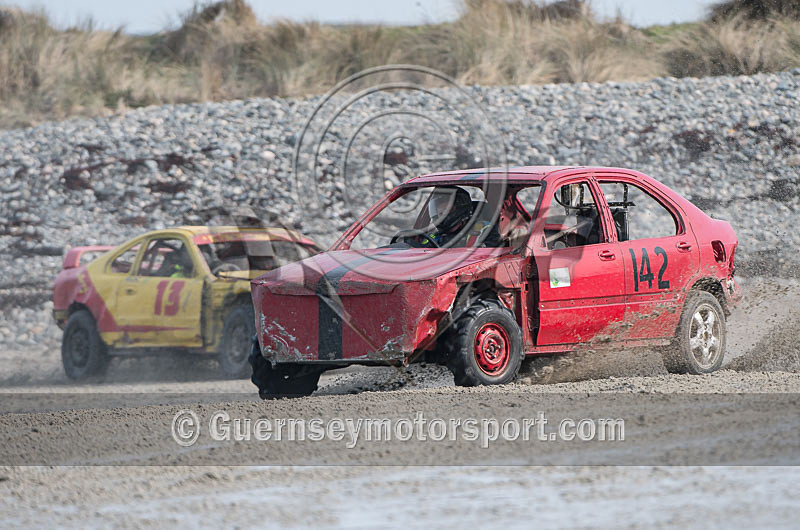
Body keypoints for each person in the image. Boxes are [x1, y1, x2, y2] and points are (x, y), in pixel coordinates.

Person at [420, 186, 501, 248]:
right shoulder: (434, 237)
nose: (441, 217)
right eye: (439, 213)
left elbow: (494, 259)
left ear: (458, 209)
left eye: (445, 211)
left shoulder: (485, 230)